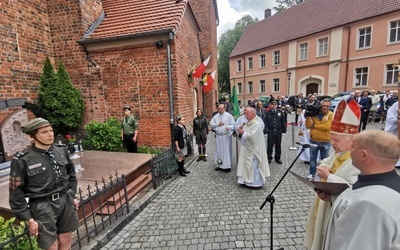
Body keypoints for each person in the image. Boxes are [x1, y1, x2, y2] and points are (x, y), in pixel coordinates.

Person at [9, 118, 79, 250]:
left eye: (51, 130)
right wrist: (29, 219)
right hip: (43, 206)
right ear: (32, 136)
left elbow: (71, 176)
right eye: (44, 132)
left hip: (65, 200)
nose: (50, 134)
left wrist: (72, 195)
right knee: (50, 245)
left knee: (66, 238)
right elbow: (16, 194)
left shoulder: (61, 150)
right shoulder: (22, 160)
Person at [323, 130, 400, 250]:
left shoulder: (369, 205)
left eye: (353, 147)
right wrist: (334, 197)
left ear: (364, 155)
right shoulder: (388, 185)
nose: (350, 151)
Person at [304, 99, 361, 250]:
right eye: (331, 138)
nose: (332, 142)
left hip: (339, 217)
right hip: (325, 204)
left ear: (352, 140)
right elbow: (325, 163)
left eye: (336, 139)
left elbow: (356, 192)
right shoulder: (337, 152)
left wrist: (329, 177)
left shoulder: (359, 161)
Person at [236, 107, 270, 188]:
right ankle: (245, 181)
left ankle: (255, 183)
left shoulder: (257, 124)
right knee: (247, 165)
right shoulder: (249, 122)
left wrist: (243, 132)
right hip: (247, 149)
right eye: (245, 114)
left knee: (254, 166)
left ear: (253, 114)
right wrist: (241, 131)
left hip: (254, 150)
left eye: (247, 114)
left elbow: (251, 137)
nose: (246, 115)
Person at [305, 99, 333, 180]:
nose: (325, 107)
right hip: (313, 140)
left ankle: (323, 175)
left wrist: (315, 126)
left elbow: (327, 127)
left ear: (329, 107)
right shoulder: (314, 113)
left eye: (327, 106)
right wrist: (308, 117)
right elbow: (308, 126)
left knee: (325, 159)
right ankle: (312, 174)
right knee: (312, 158)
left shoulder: (331, 114)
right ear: (320, 105)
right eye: (323, 105)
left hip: (325, 141)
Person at [210, 104, 235, 172]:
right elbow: (211, 124)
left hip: (225, 136)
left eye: (221, 109)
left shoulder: (229, 116)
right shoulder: (215, 116)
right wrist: (218, 124)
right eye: (219, 109)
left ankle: (227, 166)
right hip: (218, 136)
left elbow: (233, 124)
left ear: (225, 108)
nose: (220, 110)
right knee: (218, 150)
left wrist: (228, 127)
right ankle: (219, 165)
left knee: (226, 151)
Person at [263, 100, 286, 164]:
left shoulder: (280, 112)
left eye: (275, 104)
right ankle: (269, 157)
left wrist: (284, 131)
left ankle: (277, 158)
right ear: (270, 105)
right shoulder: (267, 113)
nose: (274, 105)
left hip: (278, 131)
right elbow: (265, 122)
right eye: (272, 104)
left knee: (278, 145)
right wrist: (265, 132)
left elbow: (283, 122)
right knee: (269, 145)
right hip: (271, 131)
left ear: (277, 105)